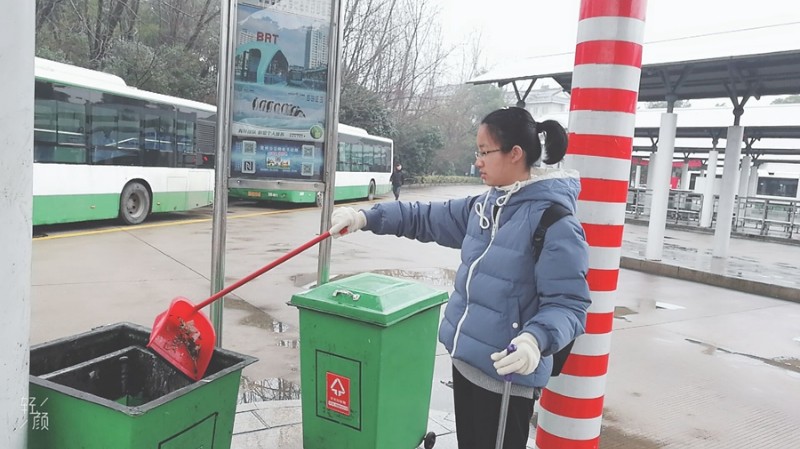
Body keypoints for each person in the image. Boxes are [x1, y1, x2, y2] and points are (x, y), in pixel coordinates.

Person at [328, 106, 591, 449]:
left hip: (506, 378)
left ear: (515, 154)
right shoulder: (485, 207)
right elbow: (421, 217)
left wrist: (535, 340)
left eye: (484, 152)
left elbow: (570, 304)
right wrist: (365, 216)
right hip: (465, 363)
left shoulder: (555, 223)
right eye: (477, 152)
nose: (478, 161)